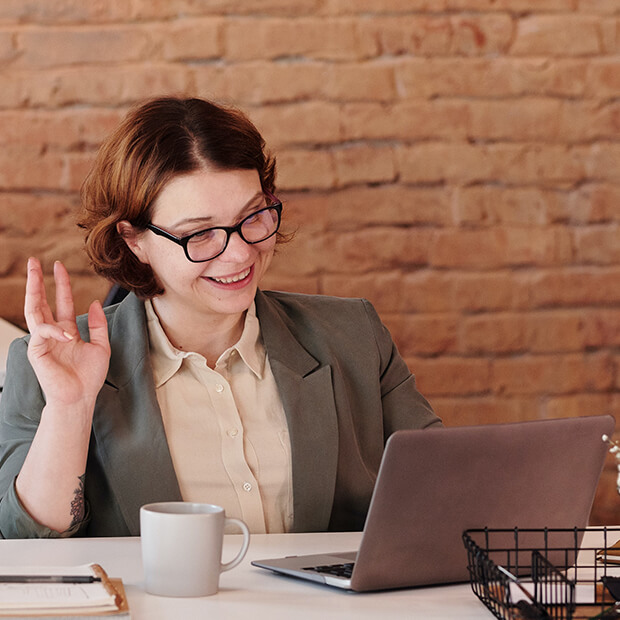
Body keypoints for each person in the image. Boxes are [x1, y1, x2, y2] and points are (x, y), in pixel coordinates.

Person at [0, 96, 440, 539]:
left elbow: (444, 490)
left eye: (252, 216)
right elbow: (24, 542)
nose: (240, 253)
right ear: (135, 240)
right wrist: (70, 411)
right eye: (200, 233)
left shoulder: (354, 336)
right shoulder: (47, 365)